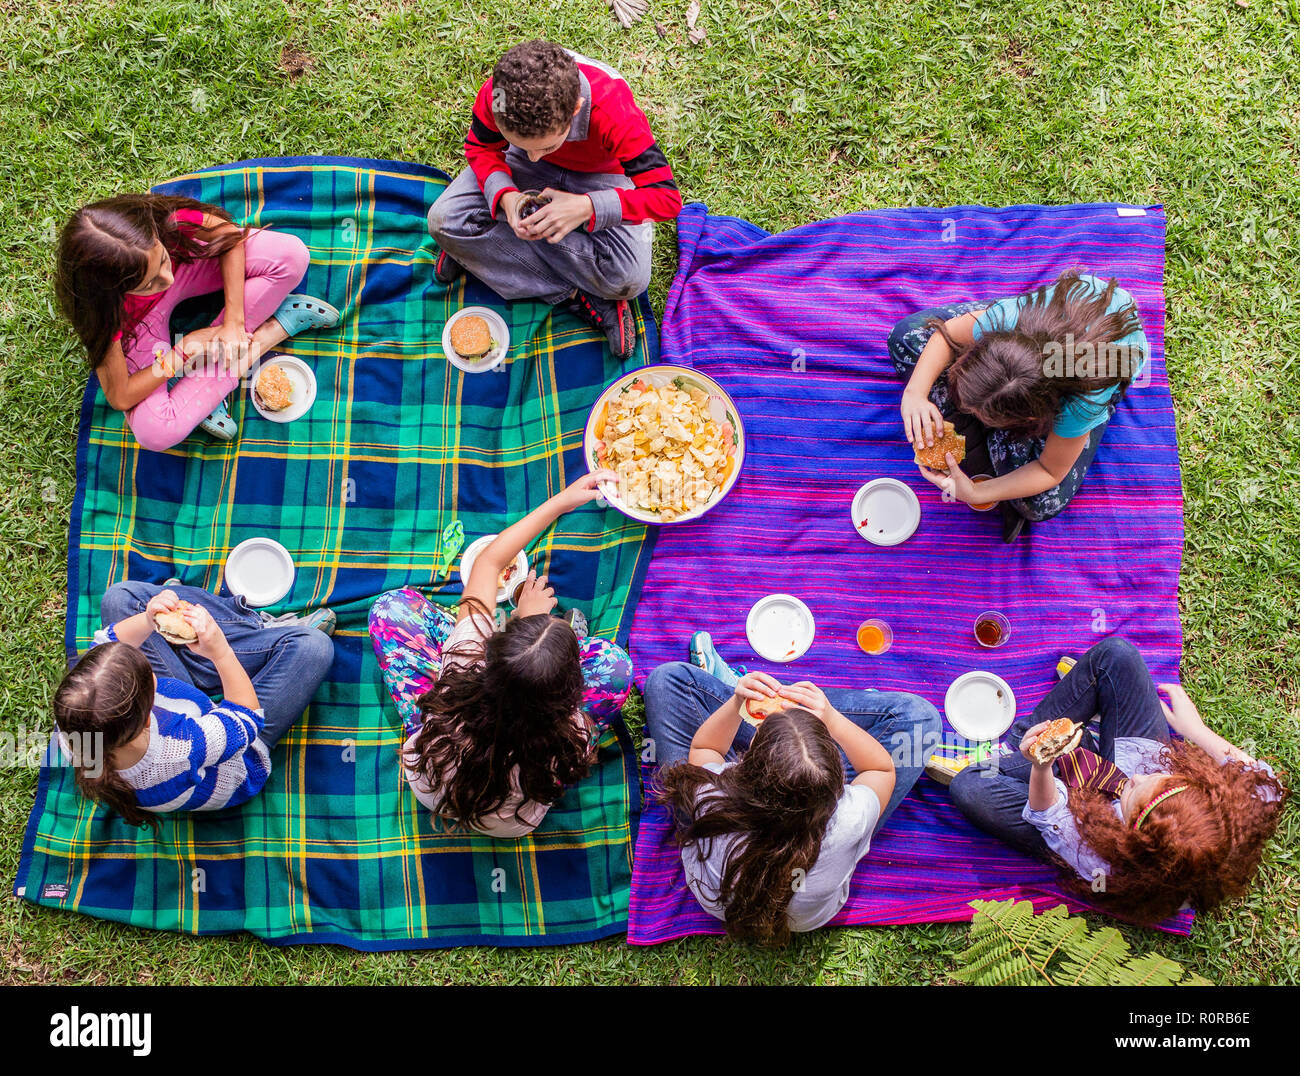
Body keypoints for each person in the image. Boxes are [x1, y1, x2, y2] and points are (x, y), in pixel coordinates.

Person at [367, 471, 633, 838]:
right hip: (509, 823)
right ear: (571, 693)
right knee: (616, 667)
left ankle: (542, 646)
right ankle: (559, 645)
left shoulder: (463, 664)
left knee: (391, 609)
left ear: (491, 654)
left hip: (435, 769)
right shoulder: (568, 737)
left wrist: (560, 501)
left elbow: (489, 563)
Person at [948, 637, 1287, 925]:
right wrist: (1192, 729)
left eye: (1135, 792)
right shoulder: (1232, 818)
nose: (1137, 777)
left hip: (1084, 821)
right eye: (1159, 779)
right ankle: (1080, 739)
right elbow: (1266, 782)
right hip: (1138, 752)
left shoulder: (1104, 861)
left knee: (970, 787)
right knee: (1117, 656)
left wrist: (1041, 764)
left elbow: (1048, 810)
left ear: (1133, 837)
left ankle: (1027, 751)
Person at [643, 655, 941, 945]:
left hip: (715, 860)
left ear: (744, 765)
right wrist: (833, 720)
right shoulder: (850, 818)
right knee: (920, 719)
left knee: (666, 681)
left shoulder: (710, 795)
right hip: (808, 908)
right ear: (837, 779)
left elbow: (707, 747)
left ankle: (771, 717)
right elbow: (880, 768)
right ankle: (800, 717)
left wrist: (737, 704)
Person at [427, 39, 682, 360]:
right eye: (517, 142)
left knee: (630, 277)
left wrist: (587, 207)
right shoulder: (499, 95)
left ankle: (481, 253)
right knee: (442, 220)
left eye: (546, 147)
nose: (534, 161)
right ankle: (578, 295)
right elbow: (481, 148)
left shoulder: (613, 110)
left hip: (600, 176)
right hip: (514, 163)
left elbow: (665, 198)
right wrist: (506, 196)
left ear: (575, 109)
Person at [55, 193, 339, 450]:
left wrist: (234, 324)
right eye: (149, 283)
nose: (166, 280)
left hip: (190, 266)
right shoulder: (104, 315)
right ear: (110, 292)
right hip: (144, 321)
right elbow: (121, 397)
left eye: (162, 261)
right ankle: (271, 332)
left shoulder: (169, 221)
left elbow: (228, 236)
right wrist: (184, 349)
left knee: (292, 256)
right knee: (154, 431)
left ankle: (199, 392)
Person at [889, 270, 1148, 542]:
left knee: (1041, 503)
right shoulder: (1002, 321)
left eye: (982, 416)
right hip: (1043, 320)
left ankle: (982, 446)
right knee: (906, 337)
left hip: (1108, 357)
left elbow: (1050, 471)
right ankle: (987, 449)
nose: (968, 409)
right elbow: (947, 334)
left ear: (1031, 418)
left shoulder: (1083, 400)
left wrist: (977, 493)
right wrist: (915, 393)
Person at [52, 582, 336, 824]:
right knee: (313, 648)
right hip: (239, 747)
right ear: (150, 712)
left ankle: (191, 645)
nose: (146, 659)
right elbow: (246, 718)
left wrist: (150, 620)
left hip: (185, 703)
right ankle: (253, 633)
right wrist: (220, 652)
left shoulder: (79, 719)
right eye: (147, 669)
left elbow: (108, 639)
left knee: (119, 597)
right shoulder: (181, 748)